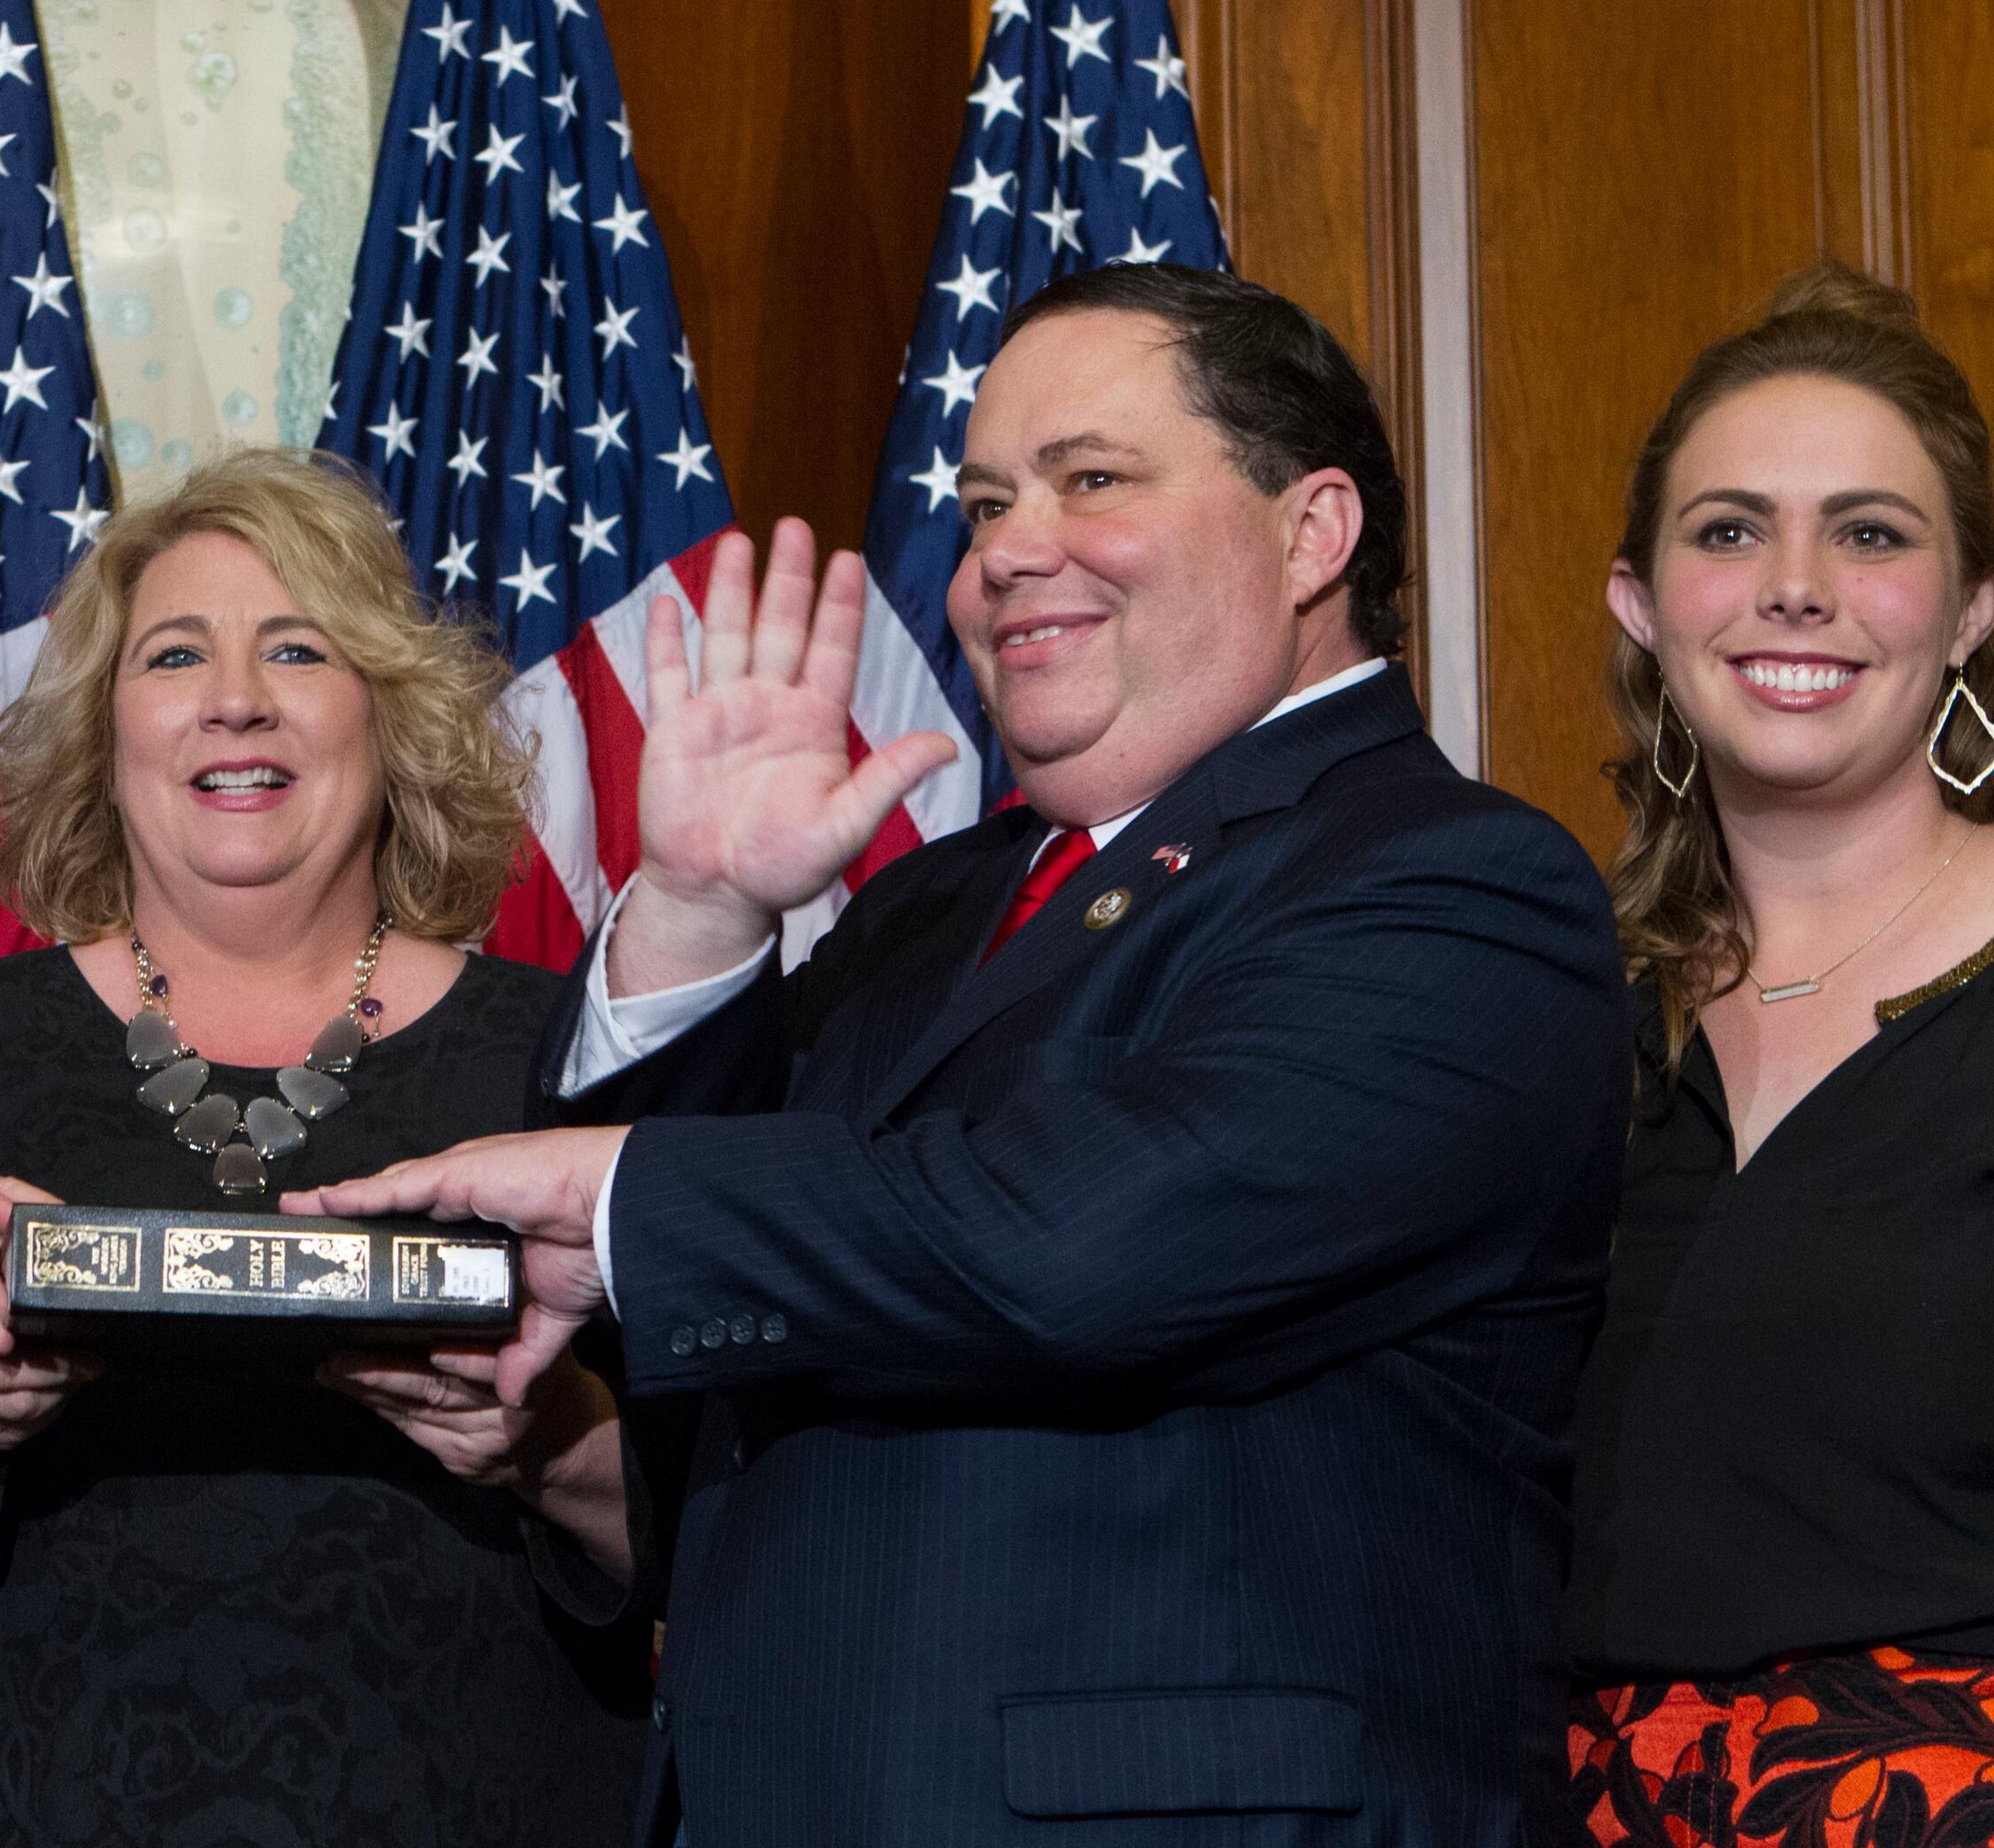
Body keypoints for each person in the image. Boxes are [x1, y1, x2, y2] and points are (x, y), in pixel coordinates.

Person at [294, 264, 1632, 1844]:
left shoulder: (1454, 886)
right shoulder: (934, 903)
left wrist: (621, 1209)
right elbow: (710, 1345)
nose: (1009, 550)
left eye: (1093, 480)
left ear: (1311, 532)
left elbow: (1077, 1250)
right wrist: (704, 913)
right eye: (989, 502)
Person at [0, 447, 654, 1846]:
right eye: (177, 654)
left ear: (390, 712)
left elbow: (760, 1511)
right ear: (103, 728)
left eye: (298, 648)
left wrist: (554, 1446)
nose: (235, 699)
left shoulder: (581, 1067)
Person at [1560, 266, 1994, 1845]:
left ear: (1970, 611)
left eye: (1872, 534)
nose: (1793, 586)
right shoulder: (1562, 1012)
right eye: (1728, 530)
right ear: (1640, 604)